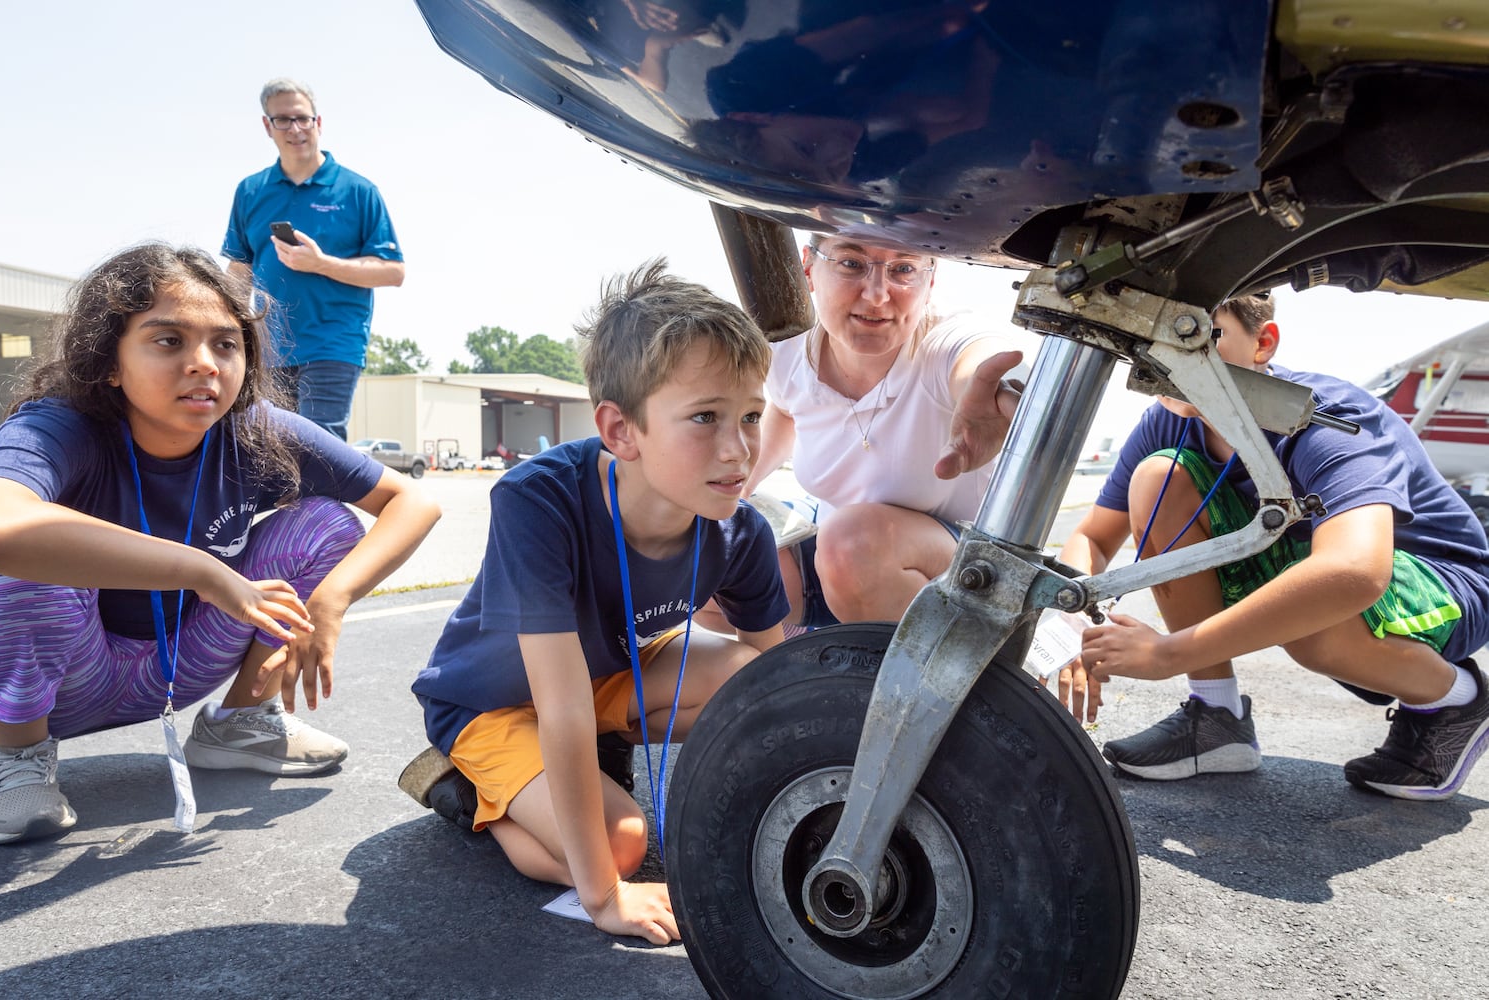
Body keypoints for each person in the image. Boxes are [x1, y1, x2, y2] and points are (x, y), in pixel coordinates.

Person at [0, 244, 441, 845]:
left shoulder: (253, 429)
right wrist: (203, 570)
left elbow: (414, 501)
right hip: (65, 676)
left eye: (226, 344)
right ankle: (15, 757)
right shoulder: (61, 425)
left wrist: (332, 601)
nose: (205, 364)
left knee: (326, 523)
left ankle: (241, 720)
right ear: (110, 362)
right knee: (27, 551)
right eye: (169, 340)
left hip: (182, 663)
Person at [399, 260, 788, 944]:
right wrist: (605, 897)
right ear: (620, 431)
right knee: (620, 848)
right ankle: (463, 789)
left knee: (746, 677)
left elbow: (780, 685)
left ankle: (576, 774)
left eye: (751, 416)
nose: (739, 449)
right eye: (705, 417)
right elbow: (562, 702)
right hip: (496, 703)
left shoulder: (740, 527)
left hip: (610, 675)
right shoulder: (537, 500)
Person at [1057, 294, 1489, 800]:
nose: (1167, 354)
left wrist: (1167, 654)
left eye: (1196, 332)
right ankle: (1216, 715)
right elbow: (1091, 538)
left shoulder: (1322, 416)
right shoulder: (1173, 416)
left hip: (1445, 585)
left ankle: (1459, 700)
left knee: (1312, 612)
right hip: (1319, 569)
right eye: (1150, 336)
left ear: (1263, 343)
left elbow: (1352, 571)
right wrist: (1070, 622)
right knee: (1159, 477)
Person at [745, 232, 1029, 628]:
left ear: (930, 282)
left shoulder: (941, 345)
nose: (877, 295)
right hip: (839, 566)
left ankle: (944, 678)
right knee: (721, 552)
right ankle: (794, 673)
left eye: (903, 269)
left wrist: (987, 386)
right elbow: (787, 409)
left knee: (852, 545)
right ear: (809, 268)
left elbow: (977, 358)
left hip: (964, 572)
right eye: (852, 264)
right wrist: (740, 486)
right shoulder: (789, 356)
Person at [222, 77, 405, 439]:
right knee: (270, 447)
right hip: (269, 346)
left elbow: (393, 272)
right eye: (283, 120)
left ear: (319, 122)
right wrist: (225, 329)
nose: (295, 128)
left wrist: (321, 263)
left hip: (332, 343)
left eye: (303, 118)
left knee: (320, 446)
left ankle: (324, 500)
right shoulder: (251, 191)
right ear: (266, 126)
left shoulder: (358, 191)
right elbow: (238, 272)